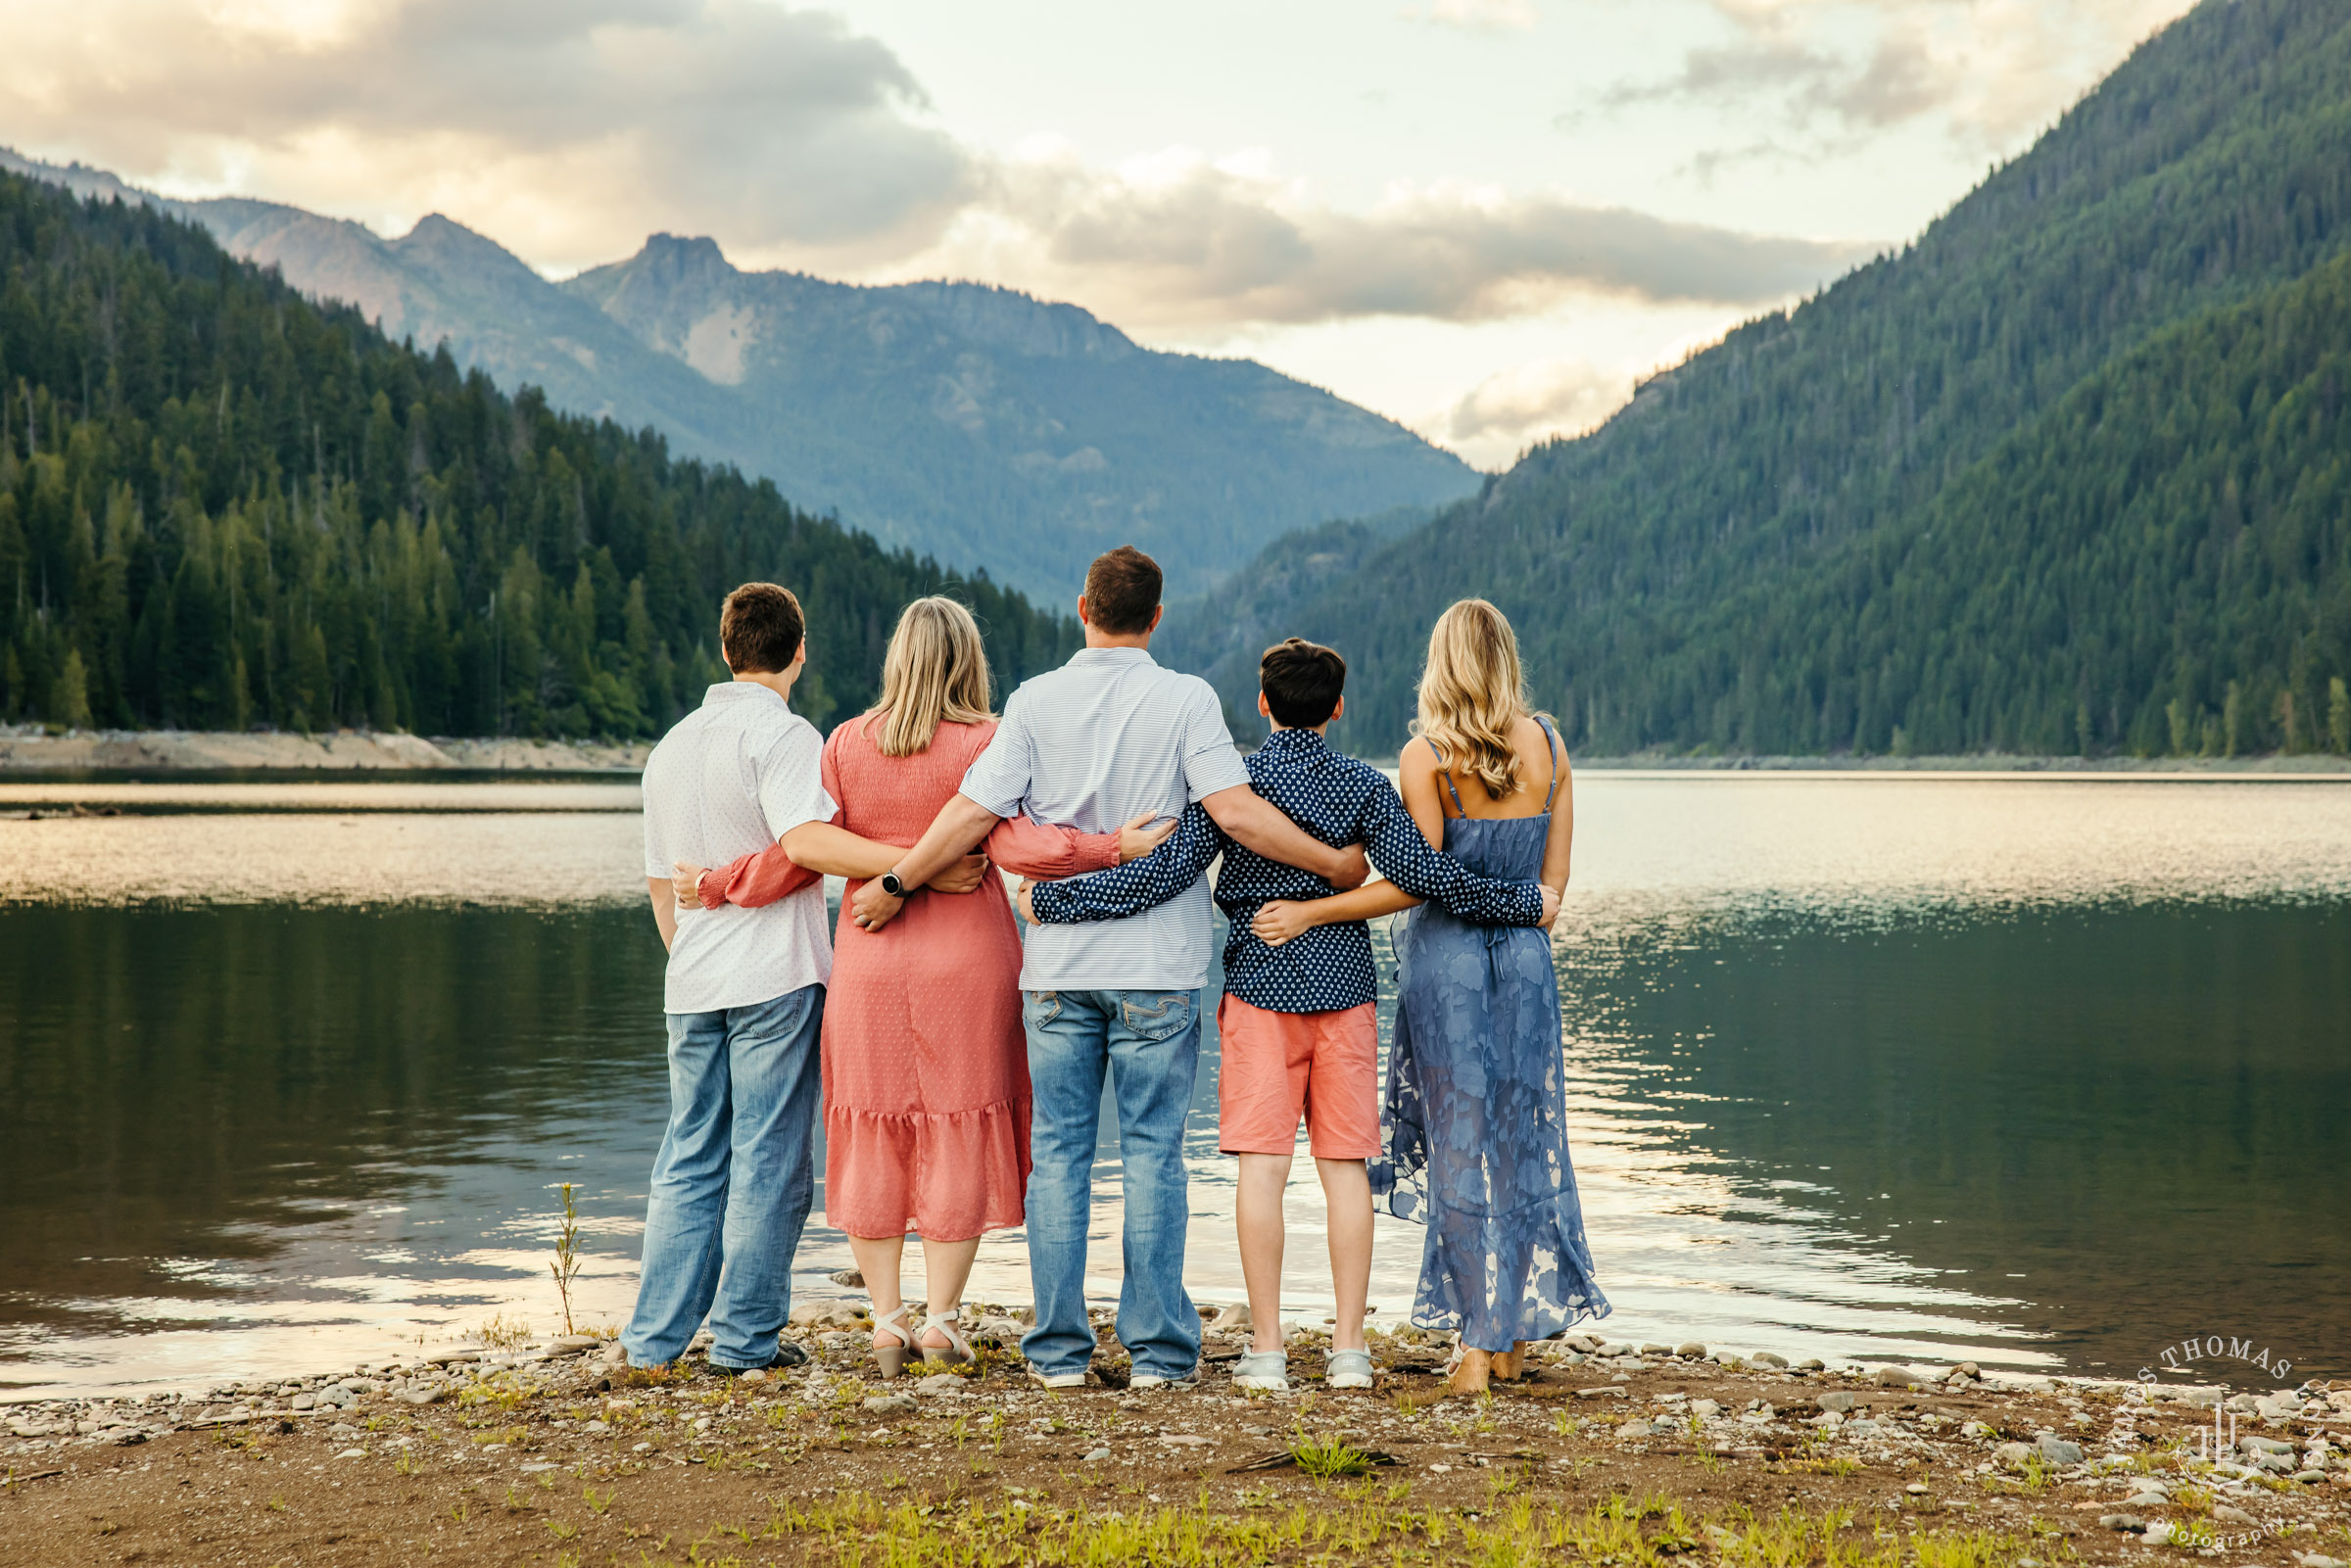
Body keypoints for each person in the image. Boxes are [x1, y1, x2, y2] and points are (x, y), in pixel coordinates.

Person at [847, 546, 1372, 1391]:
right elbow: (1236, 814)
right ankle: (1160, 1354)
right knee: (1156, 1154)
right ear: (1156, 618)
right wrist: (1337, 866)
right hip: (1158, 971)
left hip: (1055, 969)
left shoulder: (1033, 700)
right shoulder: (1187, 698)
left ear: (1082, 606)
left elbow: (972, 814)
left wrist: (898, 881)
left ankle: (1057, 1352)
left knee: (1057, 1156)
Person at [1019, 637, 1559, 1393]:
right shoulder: (1363, 786)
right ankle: (1348, 1352)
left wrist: (1052, 900)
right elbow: (1424, 876)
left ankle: (1267, 1350)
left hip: (1261, 994)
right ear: (1338, 708)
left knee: (1262, 1171)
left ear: (1264, 704)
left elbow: (1164, 876)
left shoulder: (1230, 785)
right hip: (1344, 993)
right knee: (1344, 1172)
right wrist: (1521, 901)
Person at [669, 597, 1174, 1376]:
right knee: (956, 1123)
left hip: (870, 955)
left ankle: (886, 1317)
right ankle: (940, 1320)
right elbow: (1012, 844)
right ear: (968, 660)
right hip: (967, 960)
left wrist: (717, 880)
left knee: (873, 1123)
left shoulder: (843, 742)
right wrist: (1110, 846)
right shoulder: (989, 739)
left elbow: (802, 853)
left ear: (896, 658)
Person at [1251, 600, 1608, 1398]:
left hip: (1446, 964)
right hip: (1524, 963)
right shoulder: (1549, 745)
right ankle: (1511, 1334)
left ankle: (1476, 1352)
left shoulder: (1426, 757)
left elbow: (1416, 880)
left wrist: (1312, 909)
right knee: (1524, 1138)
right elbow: (1553, 889)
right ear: (1507, 658)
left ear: (1441, 663)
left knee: (1459, 1144)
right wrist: (1523, 908)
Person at [627, 582, 838, 1375]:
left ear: (725, 648)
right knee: (769, 1154)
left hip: (693, 977)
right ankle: (746, 1341)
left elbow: (658, 883)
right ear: (800, 650)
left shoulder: (670, 746)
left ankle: (653, 1344)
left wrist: (689, 952)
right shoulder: (785, 737)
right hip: (773, 974)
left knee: (688, 1153)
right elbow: (807, 843)